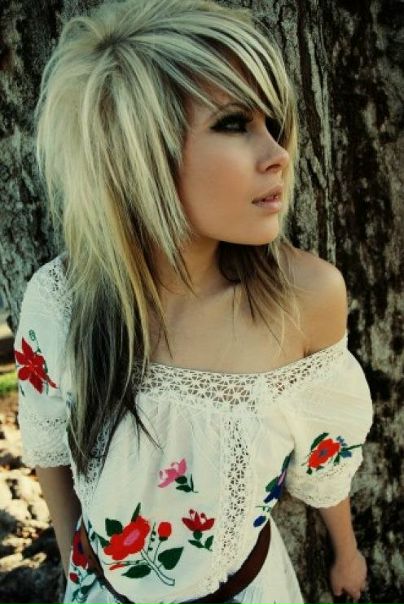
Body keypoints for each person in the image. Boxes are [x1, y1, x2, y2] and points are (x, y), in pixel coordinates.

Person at [14, 1, 373, 603]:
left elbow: (326, 455)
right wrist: (78, 566)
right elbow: (49, 439)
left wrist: (348, 553)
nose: (279, 154)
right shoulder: (60, 299)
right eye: (234, 123)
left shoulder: (304, 298)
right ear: (136, 150)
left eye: (272, 124)